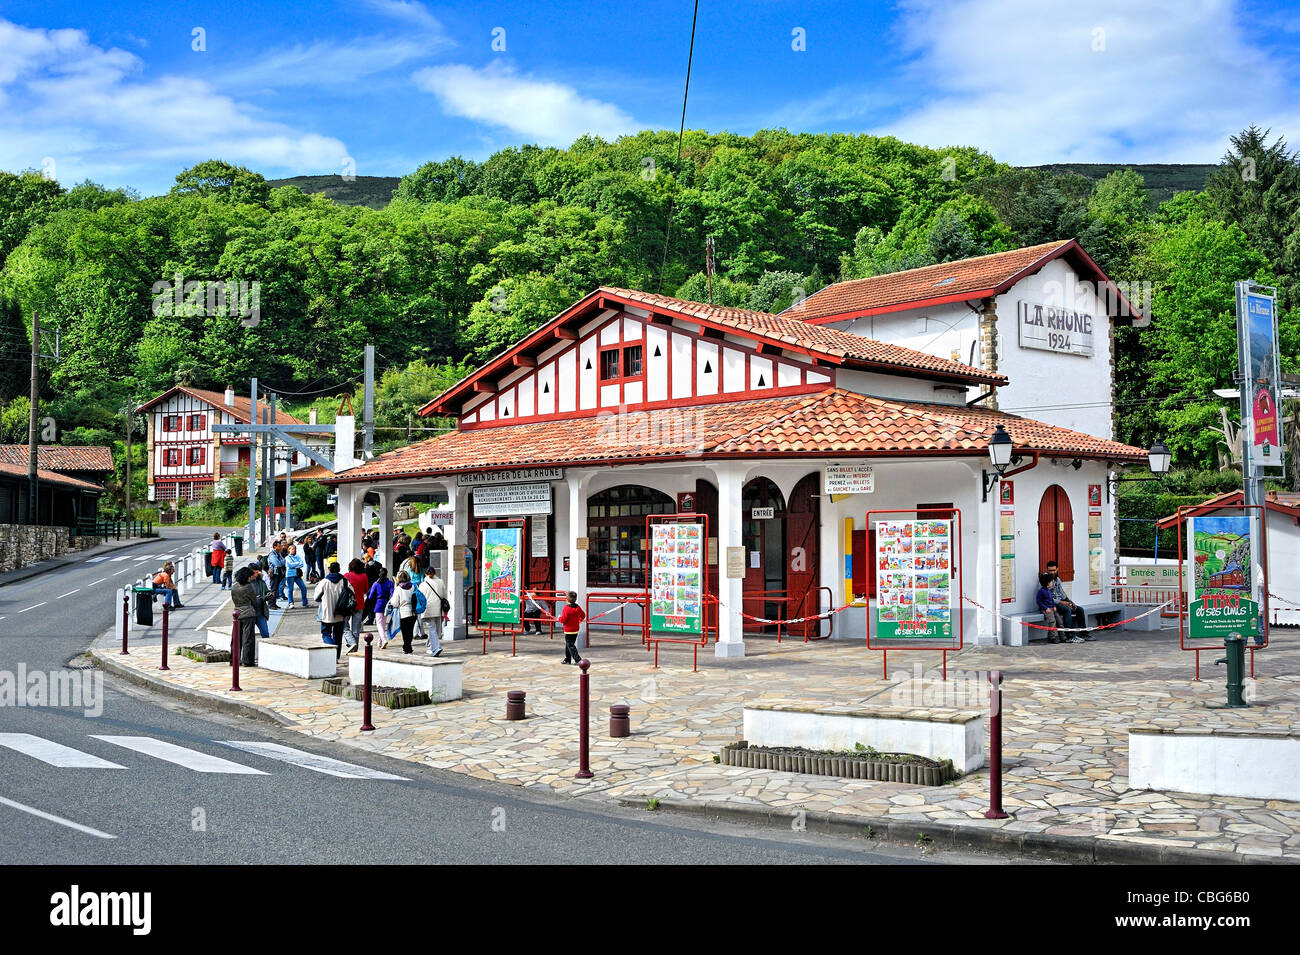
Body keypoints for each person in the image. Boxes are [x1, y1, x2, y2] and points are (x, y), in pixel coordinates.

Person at [1045, 560, 1092, 641]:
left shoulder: (1058, 579)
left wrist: (1070, 602)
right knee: (1067, 610)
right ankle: (1069, 636)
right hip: (1051, 604)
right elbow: (1047, 598)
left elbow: (1062, 593)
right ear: (1047, 570)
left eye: (1054, 570)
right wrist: (1062, 602)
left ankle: (1084, 634)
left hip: (1061, 602)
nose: (1052, 572)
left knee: (1079, 609)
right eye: (1050, 570)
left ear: (1057, 569)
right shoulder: (1045, 580)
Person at [313, 561, 350, 662]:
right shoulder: (345, 581)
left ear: (329, 569)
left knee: (326, 634)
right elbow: (351, 595)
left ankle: (331, 653)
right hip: (340, 613)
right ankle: (336, 657)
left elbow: (316, 597)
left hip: (326, 613)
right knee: (338, 636)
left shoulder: (324, 582)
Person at [231, 566, 259, 667]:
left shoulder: (234, 586)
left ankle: (234, 659)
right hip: (248, 613)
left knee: (235, 638)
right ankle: (247, 661)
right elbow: (254, 600)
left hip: (237, 612)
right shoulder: (248, 586)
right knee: (248, 638)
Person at [419, 567, 448, 657]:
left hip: (428, 609)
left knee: (432, 629)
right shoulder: (440, 581)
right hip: (438, 609)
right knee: (435, 630)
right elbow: (444, 595)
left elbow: (420, 598)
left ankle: (436, 648)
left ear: (425, 574)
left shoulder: (423, 585)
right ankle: (430, 647)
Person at [390, 570, 419, 654]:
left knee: (405, 632)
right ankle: (408, 646)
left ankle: (407, 647)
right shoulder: (414, 586)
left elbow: (395, 603)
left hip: (403, 613)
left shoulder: (398, 589)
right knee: (410, 631)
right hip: (413, 612)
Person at [343, 558, 370, 651]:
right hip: (359, 604)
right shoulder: (364, 576)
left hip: (348, 604)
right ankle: (355, 648)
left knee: (344, 624)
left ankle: (351, 642)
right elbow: (366, 590)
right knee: (356, 628)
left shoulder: (347, 576)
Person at [1035, 572, 1068, 645]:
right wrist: (1045, 608)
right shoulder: (1041, 591)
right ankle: (1051, 637)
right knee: (1052, 622)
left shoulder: (1049, 590)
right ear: (1047, 583)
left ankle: (1063, 637)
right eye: (1051, 582)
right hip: (1046, 610)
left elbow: (1051, 600)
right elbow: (1039, 601)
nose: (1052, 583)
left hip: (1052, 608)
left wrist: (1054, 606)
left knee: (1060, 621)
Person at [558, 591, 586, 664]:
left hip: (568, 630)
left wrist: (559, 618)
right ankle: (567, 659)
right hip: (575, 629)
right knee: (569, 645)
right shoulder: (578, 607)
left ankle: (578, 659)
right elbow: (583, 615)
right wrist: (579, 620)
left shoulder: (566, 608)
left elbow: (563, 620)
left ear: (567, 600)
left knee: (570, 645)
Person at [248, 562, 272, 641]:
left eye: (257, 572)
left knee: (265, 634)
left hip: (260, 612)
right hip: (249, 613)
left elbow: (266, 591)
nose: (255, 575)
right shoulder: (245, 584)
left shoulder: (260, 582)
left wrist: (269, 594)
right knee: (248, 636)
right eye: (254, 573)